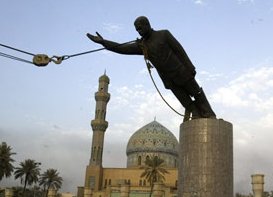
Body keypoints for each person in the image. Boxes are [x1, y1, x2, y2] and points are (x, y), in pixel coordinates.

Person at [87, 16, 216, 121]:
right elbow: (121, 48)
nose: (139, 31)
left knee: (197, 93)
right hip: (168, 79)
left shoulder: (164, 34)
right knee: (184, 100)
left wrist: (190, 66)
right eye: (137, 30)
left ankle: (209, 113)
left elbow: (180, 50)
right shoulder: (142, 46)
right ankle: (196, 114)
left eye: (140, 28)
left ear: (147, 24)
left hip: (181, 71)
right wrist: (104, 42)